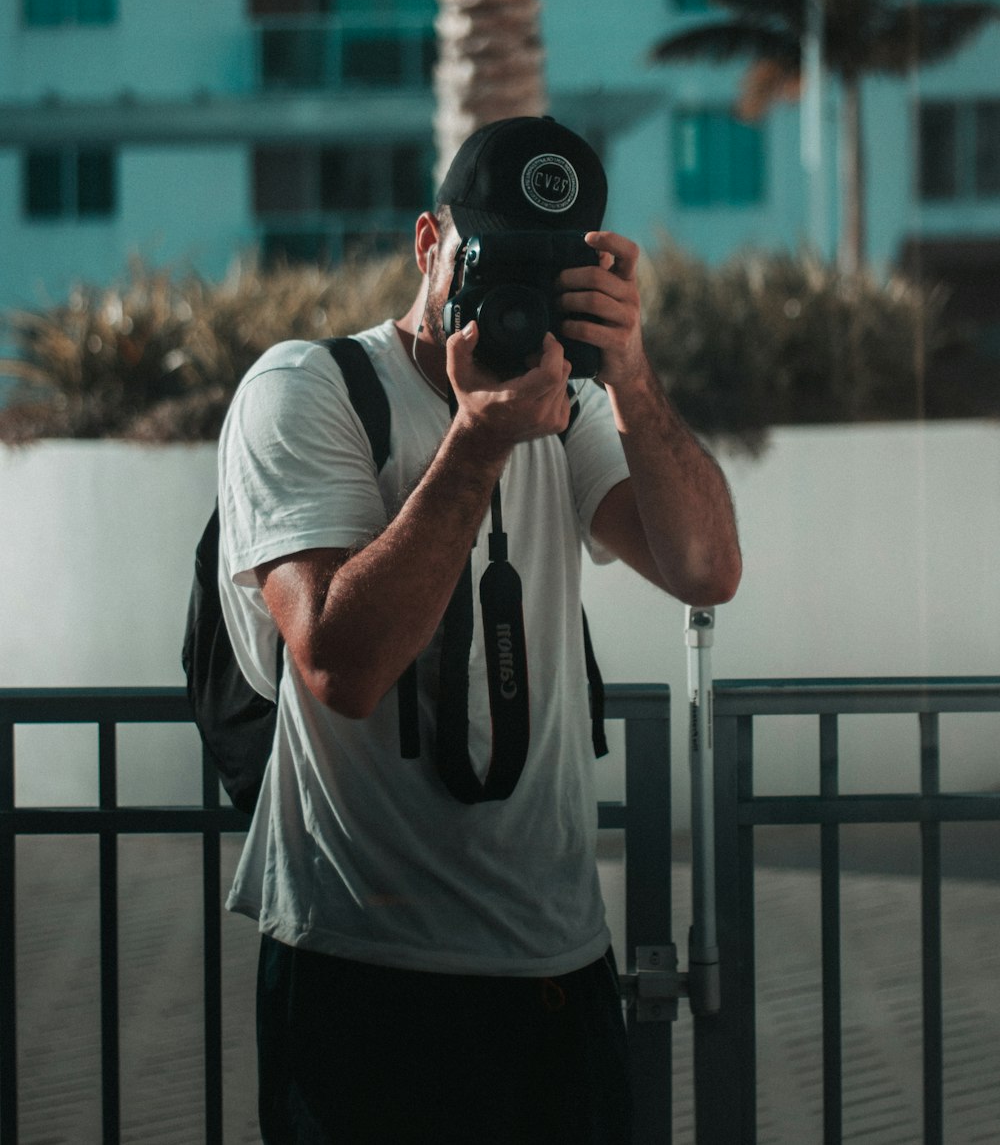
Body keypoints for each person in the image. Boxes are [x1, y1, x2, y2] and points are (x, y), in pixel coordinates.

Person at [216, 115, 741, 1145]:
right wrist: (477, 438)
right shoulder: (306, 392)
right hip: (361, 963)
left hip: (555, 960)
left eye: (553, 270)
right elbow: (340, 663)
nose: (516, 294)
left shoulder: (575, 405)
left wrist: (628, 371)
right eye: (491, 257)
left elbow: (705, 569)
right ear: (427, 241)